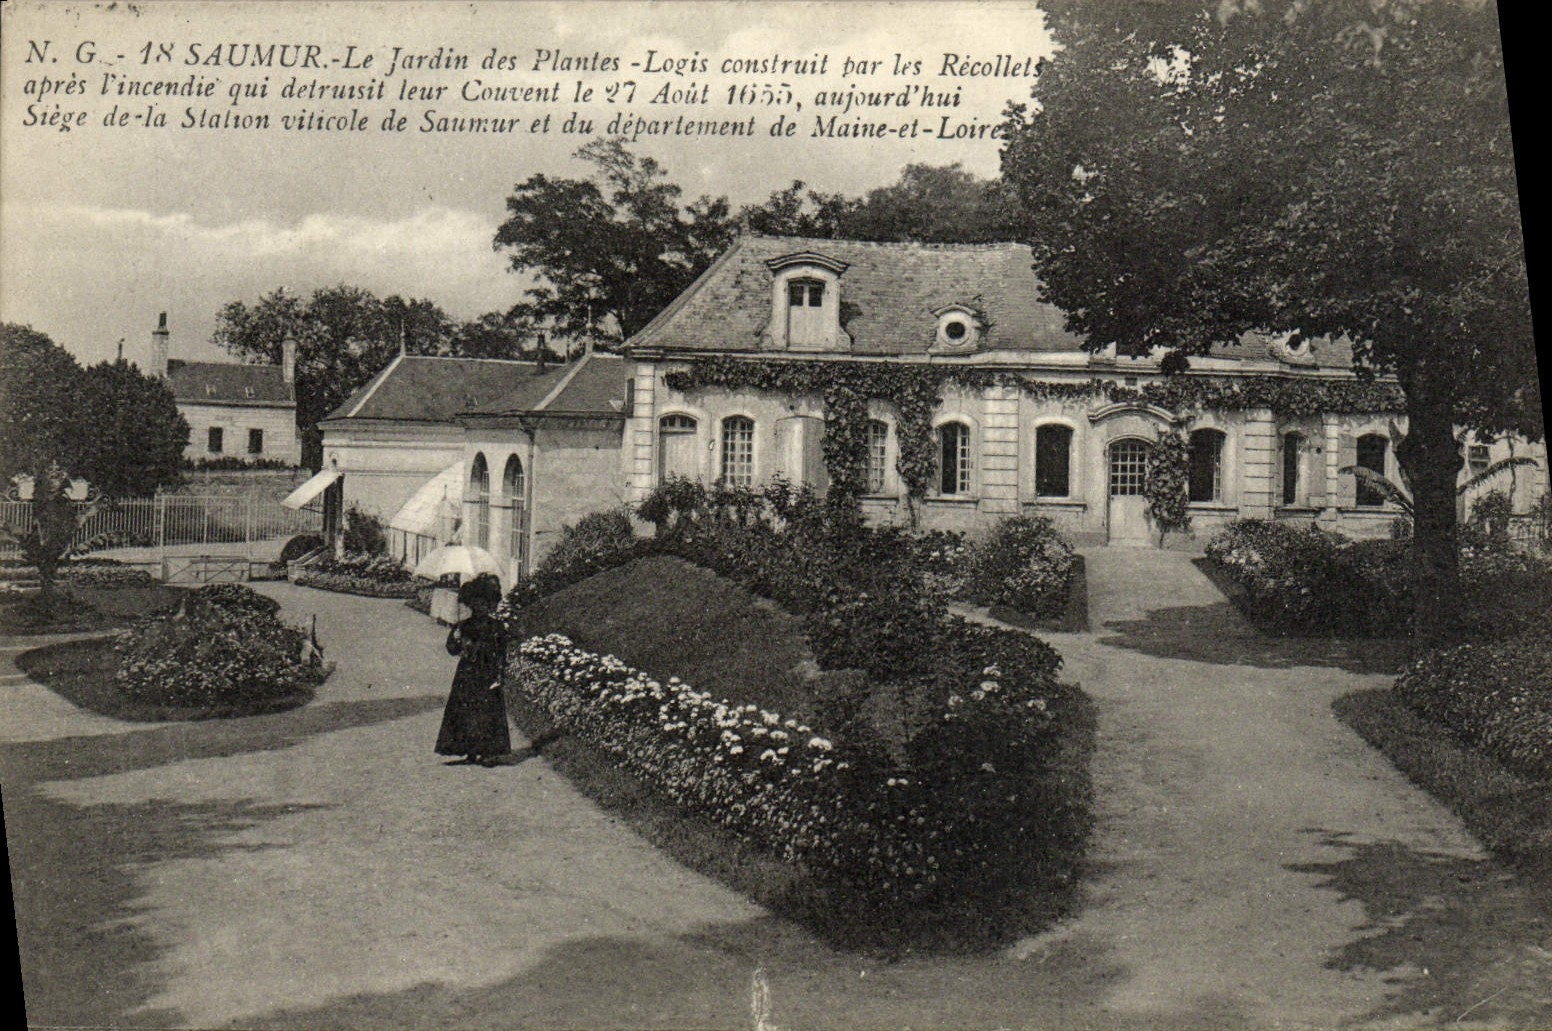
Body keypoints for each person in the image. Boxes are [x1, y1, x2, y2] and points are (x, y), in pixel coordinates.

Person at [434, 573, 511, 767]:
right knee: (465, 710)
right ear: (471, 603)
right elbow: (452, 649)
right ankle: (469, 750)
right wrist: (456, 638)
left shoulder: (496, 626)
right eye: (476, 603)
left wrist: (500, 672)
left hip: (487, 673)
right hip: (467, 673)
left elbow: (501, 651)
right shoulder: (464, 625)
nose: (480, 607)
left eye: (485, 603)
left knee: (486, 711)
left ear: (490, 604)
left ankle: (486, 752)